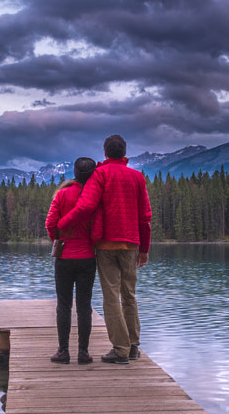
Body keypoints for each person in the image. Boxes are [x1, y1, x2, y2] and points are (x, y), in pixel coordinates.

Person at [59, 133, 151, 364]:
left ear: (105, 152)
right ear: (125, 151)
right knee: (129, 296)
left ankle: (120, 349)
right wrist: (145, 249)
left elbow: (86, 205)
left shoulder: (100, 174)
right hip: (131, 244)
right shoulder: (137, 177)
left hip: (107, 245)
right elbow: (145, 218)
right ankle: (132, 347)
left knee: (111, 297)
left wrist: (62, 224)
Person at [44, 157, 100, 364]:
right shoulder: (95, 196)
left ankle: (63, 352)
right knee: (85, 306)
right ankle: (83, 353)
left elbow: (50, 223)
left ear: (75, 173)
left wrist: (58, 241)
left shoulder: (62, 193)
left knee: (64, 305)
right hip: (87, 257)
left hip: (65, 258)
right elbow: (97, 228)